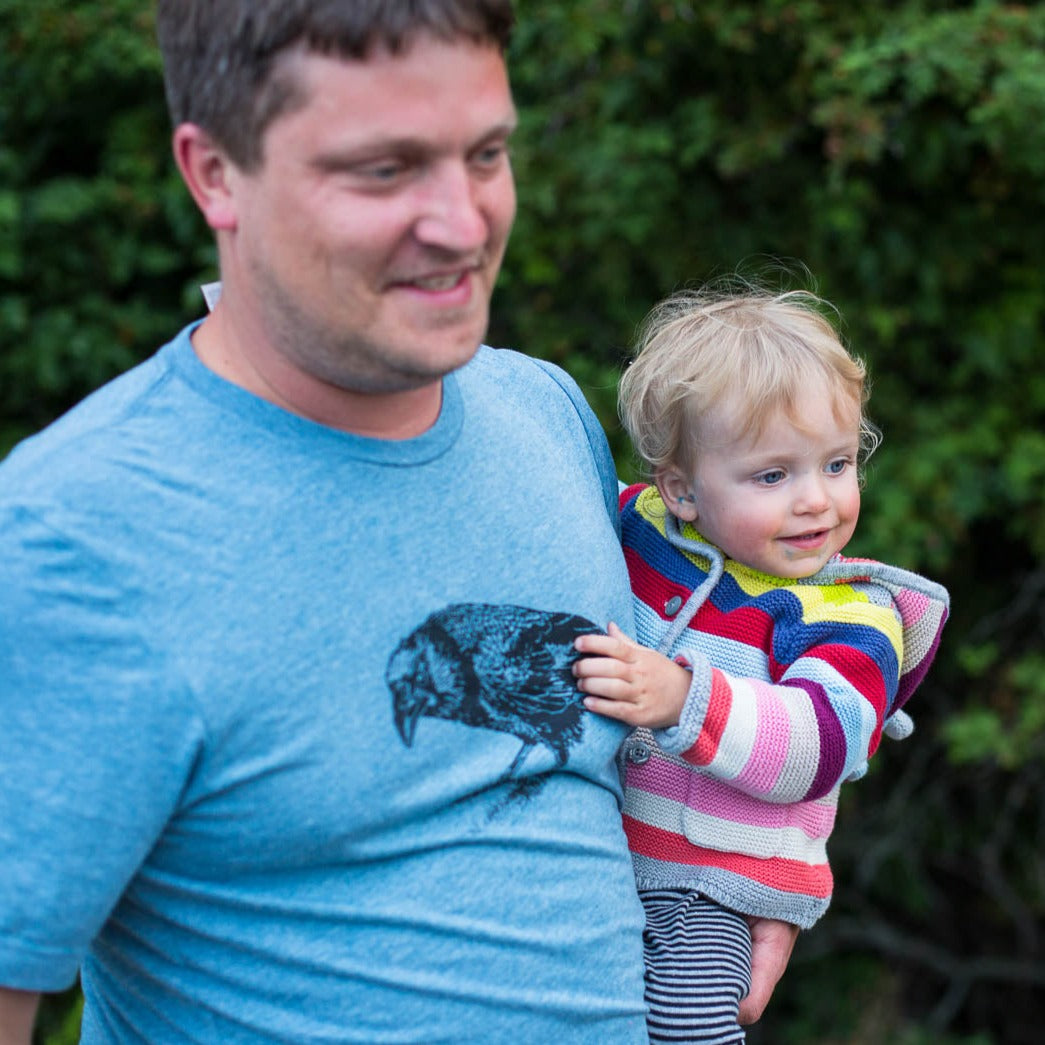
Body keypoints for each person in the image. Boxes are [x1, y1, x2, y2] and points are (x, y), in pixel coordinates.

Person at [0, 3, 798, 1042]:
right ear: (214, 175)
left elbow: (638, 733)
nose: (463, 223)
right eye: (384, 169)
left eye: (486, 153)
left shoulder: (542, 413)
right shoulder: (78, 538)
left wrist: (739, 865)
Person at [573, 285, 950, 1043]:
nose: (816, 500)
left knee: (688, 1024)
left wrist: (685, 698)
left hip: (713, 882)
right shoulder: (638, 527)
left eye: (836, 463)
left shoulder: (850, 613)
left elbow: (817, 744)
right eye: (772, 476)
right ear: (679, 488)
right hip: (597, 845)